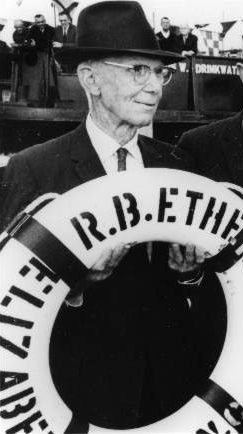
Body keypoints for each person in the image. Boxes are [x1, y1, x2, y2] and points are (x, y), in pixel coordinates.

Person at [1, 2, 208, 432]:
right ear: (90, 78)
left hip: (173, 391)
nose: (154, 87)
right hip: (82, 394)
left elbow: (202, 295)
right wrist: (76, 283)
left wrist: (189, 276)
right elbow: (10, 300)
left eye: (160, 73)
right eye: (137, 70)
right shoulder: (35, 169)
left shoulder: (178, 165)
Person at [26, 14, 57, 105]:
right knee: (37, 80)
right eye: (38, 22)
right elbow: (29, 42)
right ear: (35, 23)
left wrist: (37, 44)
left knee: (50, 79)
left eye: (42, 21)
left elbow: (50, 43)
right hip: (37, 57)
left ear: (45, 20)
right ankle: (35, 100)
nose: (41, 24)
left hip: (48, 56)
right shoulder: (32, 30)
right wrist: (33, 45)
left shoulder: (51, 29)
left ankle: (50, 101)